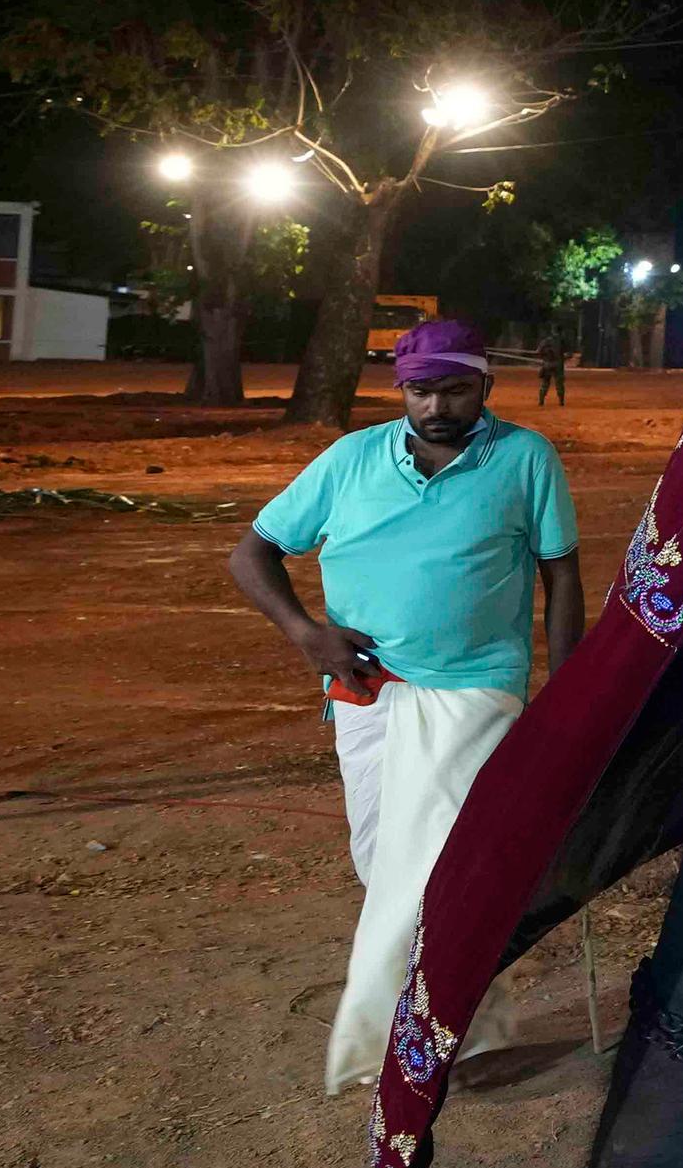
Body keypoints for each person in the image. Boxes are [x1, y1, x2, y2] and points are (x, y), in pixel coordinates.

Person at [228, 318, 583, 1092]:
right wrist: (306, 636)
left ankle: (432, 1043)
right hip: (366, 691)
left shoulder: (525, 457)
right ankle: (455, 1027)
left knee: (443, 868)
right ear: (401, 392)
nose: (437, 406)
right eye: (421, 391)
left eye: (455, 389)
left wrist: (570, 687)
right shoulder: (351, 459)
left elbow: (560, 574)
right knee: (382, 861)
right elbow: (251, 554)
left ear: (485, 384)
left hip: (477, 688)